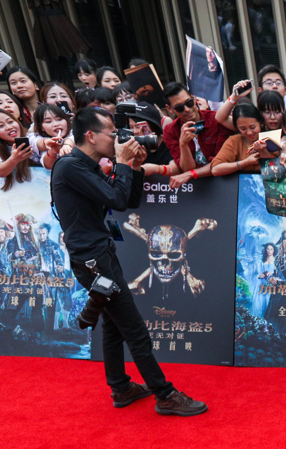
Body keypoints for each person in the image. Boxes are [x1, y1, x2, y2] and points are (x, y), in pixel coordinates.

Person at [50, 107, 206, 415]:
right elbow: (118, 200)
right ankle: (165, 394)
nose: (119, 138)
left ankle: (120, 388)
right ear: (91, 136)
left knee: (113, 325)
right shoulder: (70, 167)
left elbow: (128, 199)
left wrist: (133, 166)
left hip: (99, 254)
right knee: (134, 329)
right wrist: (122, 162)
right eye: (112, 133)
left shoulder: (86, 165)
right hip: (94, 260)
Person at [161, 82, 234, 187]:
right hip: (195, 188)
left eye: (189, 103)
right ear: (170, 109)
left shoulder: (216, 120)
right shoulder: (170, 131)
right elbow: (187, 168)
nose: (187, 109)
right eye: (179, 108)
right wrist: (183, 144)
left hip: (225, 182)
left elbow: (221, 163)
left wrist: (191, 174)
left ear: (193, 98)